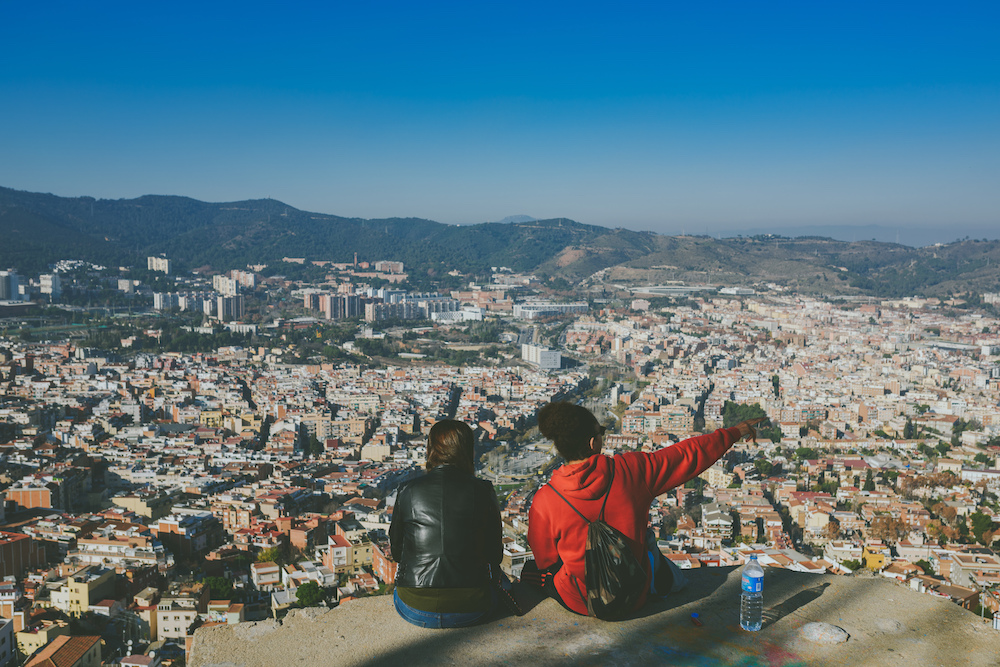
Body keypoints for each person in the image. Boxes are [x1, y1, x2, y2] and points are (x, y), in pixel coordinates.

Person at [525, 401, 764, 617]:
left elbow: (546, 560)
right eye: (601, 433)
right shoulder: (630, 471)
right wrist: (735, 432)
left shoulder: (546, 500)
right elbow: (687, 455)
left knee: (533, 572)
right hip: (634, 597)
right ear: (592, 442)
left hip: (581, 601)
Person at [390, 419, 504, 628]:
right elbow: (495, 555)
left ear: (431, 450)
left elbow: (397, 552)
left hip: (414, 606)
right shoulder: (484, 490)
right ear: (467, 450)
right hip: (473, 607)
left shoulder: (407, 490)